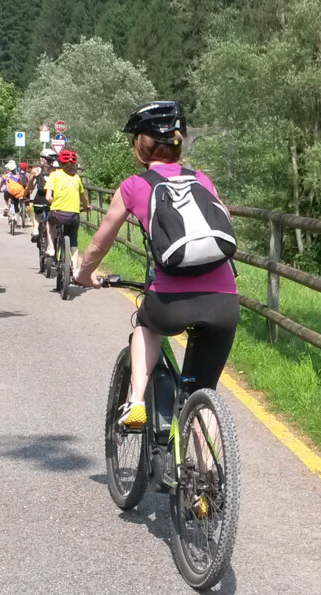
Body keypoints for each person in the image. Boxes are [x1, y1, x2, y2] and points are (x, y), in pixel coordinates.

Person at [74, 101, 238, 429]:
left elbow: (100, 242)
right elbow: (224, 222)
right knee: (201, 391)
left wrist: (84, 273)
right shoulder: (202, 180)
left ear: (140, 147)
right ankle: (208, 474)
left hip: (170, 303)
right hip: (224, 303)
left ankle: (135, 402)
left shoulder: (135, 186)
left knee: (145, 325)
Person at [43, 149, 90, 267]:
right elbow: (83, 197)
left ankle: (51, 247)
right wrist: (86, 206)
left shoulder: (54, 175)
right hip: (74, 215)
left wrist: (54, 202)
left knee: (49, 223)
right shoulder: (77, 178)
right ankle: (74, 269)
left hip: (57, 213)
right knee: (73, 241)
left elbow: (48, 196)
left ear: (59, 163)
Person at [27, 149, 57, 242]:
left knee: (37, 212)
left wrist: (26, 194)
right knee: (53, 216)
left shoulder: (36, 170)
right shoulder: (56, 171)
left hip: (40, 197)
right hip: (52, 197)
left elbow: (30, 185)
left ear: (43, 159)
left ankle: (35, 230)